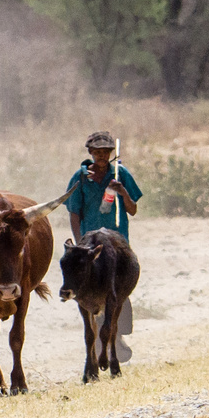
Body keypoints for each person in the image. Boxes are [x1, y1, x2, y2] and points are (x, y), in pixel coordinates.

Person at [65, 130, 140, 360]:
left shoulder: (120, 174)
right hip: (90, 245)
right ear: (90, 152)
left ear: (110, 153)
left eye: (105, 152)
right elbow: (74, 213)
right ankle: (96, 341)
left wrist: (122, 191)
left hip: (117, 243)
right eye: (96, 152)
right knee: (89, 288)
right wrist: (79, 244)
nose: (101, 156)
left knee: (118, 289)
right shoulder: (80, 178)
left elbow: (133, 209)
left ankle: (117, 337)